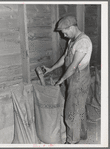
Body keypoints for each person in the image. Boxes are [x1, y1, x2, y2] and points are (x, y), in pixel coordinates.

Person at [42, 15, 92, 144]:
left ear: (71, 27)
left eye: (64, 32)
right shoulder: (72, 41)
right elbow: (65, 57)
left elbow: (73, 66)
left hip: (79, 79)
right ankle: (82, 133)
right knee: (79, 108)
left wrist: (60, 80)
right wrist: (51, 68)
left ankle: (72, 141)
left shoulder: (83, 42)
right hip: (73, 78)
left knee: (72, 111)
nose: (63, 35)